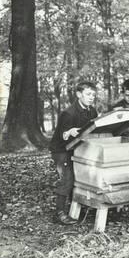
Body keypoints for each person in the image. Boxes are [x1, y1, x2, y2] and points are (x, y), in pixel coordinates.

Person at [49, 82, 98, 225]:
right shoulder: (68, 113)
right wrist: (69, 133)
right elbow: (62, 136)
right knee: (67, 178)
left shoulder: (92, 111)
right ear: (78, 94)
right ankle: (59, 213)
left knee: (80, 177)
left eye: (93, 95)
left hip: (77, 148)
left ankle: (75, 208)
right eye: (88, 94)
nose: (91, 97)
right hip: (61, 150)